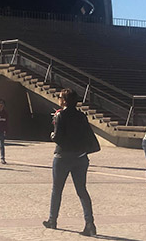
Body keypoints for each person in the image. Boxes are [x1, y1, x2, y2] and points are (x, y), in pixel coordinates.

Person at [43, 89, 98, 236]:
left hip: (63, 157)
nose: (58, 99)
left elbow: (58, 137)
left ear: (65, 100)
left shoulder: (61, 115)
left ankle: (52, 220)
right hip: (80, 157)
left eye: (60, 97)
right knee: (82, 190)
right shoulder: (81, 116)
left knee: (57, 190)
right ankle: (90, 223)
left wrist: (52, 134)